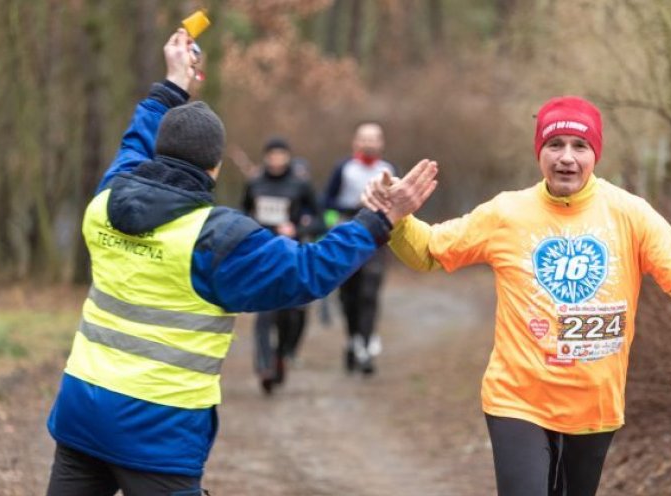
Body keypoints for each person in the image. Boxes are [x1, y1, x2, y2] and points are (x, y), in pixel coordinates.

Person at [44, 29, 437, 496]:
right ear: (215, 168)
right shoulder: (214, 239)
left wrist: (172, 84)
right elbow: (308, 272)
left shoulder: (106, 200)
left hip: (80, 415)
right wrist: (381, 219)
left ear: (159, 152)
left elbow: (135, 142)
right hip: (158, 433)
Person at [363, 97, 671, 496]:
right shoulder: (507, 213)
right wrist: (396, 220)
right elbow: (431, 251)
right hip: (517, 399)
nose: (566, 158)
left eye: (580, 146)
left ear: (595, 154)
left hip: (595, 407)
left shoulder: (630, 214)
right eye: (555, 145)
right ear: (539, 152)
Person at [242, 136, 323, 394]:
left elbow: (321, 219)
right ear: (266, 156)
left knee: (291, 313)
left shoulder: (300, 185)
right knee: (264, 313)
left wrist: (298, 228)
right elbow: (241, 213)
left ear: (287, 157)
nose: (276, 159)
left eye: (281, 154)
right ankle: (265, 366)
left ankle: (283, 354)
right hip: (262, 255)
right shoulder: (254, 182)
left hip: (291, 256)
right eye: (272, 154)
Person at [323, 121, 397, 375]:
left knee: (370, 291)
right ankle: (353, 338)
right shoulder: (344, 169)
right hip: (347, 237)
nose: (369, 143)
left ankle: (366, 343)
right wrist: (335, 221)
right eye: (364, 139)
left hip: (377, 239)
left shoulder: (388, 170)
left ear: (382, 143)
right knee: (349, 296)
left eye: (374, 139)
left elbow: (398, 205)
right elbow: (327, 204)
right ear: (355, 142)